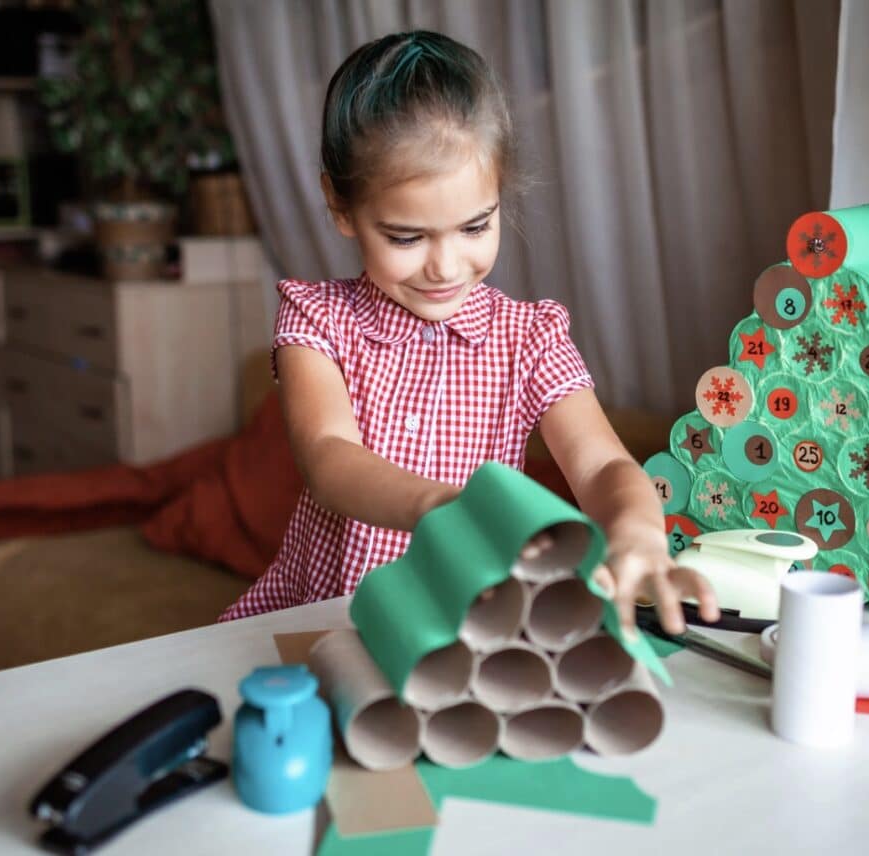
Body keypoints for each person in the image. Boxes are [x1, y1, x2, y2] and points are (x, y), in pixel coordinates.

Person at [219, 29, 719, 636]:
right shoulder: (317, 319)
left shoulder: (530, 337)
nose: (446, 266)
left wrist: (638, 533)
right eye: (407, 237)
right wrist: (449, 508)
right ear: (340, 206)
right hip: (325, 625)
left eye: (475, 227)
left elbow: (600, 465)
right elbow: (328, 457)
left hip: (463, 629)